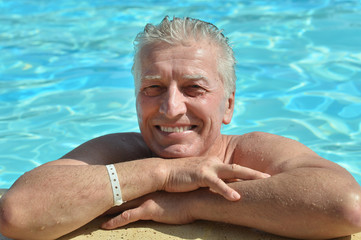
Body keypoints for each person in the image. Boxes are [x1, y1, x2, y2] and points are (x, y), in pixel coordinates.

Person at [1, 16, 361, 240]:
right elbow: (17, 213)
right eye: (152, 88)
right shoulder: (121, 151)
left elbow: (347, 205)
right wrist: (163, 172)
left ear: (229, 105)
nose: (171, 108)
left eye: (195, 88)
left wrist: (191, 202)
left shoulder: (251, 152)